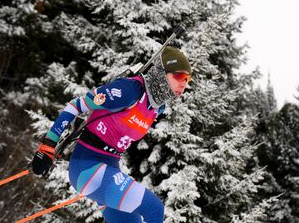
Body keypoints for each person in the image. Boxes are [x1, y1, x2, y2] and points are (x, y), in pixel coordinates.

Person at [30, 46, 192, 223]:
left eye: (187, 79)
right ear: (161, 73)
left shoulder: (157, 107)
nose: (183, 83)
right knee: (154, 209)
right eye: (178, 77)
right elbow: (75, 106)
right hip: (87, 168)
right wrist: (48, 145)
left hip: (109, 170)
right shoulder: (128, 91)